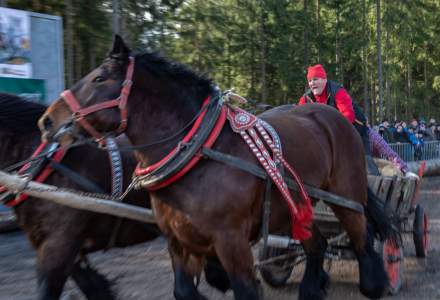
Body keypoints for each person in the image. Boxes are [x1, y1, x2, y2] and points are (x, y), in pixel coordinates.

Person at [298, 64, 379, 173]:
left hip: (355, 130)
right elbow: (297, 117)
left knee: (365, 162)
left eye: (315, 79)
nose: (312, 83)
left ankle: (375, 180)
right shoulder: (306, 99)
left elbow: (348, 116)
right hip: (331, 136)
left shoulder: (338, 91)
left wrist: (328, 130)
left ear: (324, 79)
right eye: (310, 81)